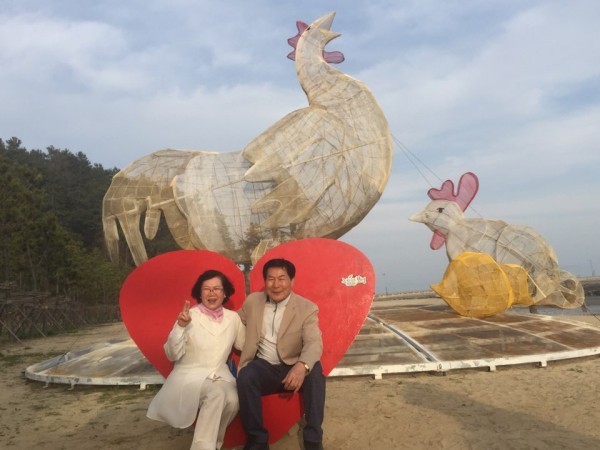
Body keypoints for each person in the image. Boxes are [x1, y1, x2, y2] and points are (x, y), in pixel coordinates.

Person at [147, 270, 245, 450]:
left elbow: (243, 344)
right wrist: (180, 327)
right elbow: (172, 354)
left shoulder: (233, 318)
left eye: (217, 288)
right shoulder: (189, 316)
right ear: (199, 293)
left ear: (225, 293)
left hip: (220, 376)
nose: (212, 293)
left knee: (234, 399)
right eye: (206, 289)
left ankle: (214, 445)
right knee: (217, 394)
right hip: (190, 376)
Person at [236, 258, 326, 450]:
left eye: (282, 278)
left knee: (316, 372)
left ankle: (313, 439)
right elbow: (231, 322)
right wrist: (204, 316)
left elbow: (314, 342)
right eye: (271, 279)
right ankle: (258, 440)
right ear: (265, 281)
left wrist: (302, 366)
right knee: (246, 375)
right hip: (264, 367)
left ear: (292, 281)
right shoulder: (253, 302)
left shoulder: (306, 308)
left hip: (293, 365)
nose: (276, 284)